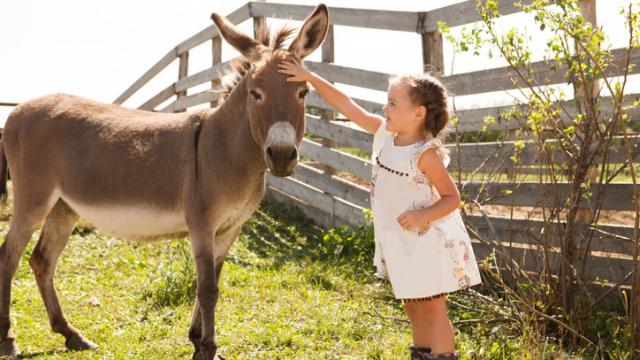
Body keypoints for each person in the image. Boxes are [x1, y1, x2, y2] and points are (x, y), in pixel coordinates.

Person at [278, 60, 482, 360]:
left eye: (392, 103)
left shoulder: (425, 155)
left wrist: (421, 215)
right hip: (397, 241)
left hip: (425, 242)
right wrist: (311, 77)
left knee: (433, 309)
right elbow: (347, 105)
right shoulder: (385, 136)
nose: (385, 108)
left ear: (418, 113)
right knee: (412, 304)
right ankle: (422, 354)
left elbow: (452, 198)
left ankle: (443, 356)